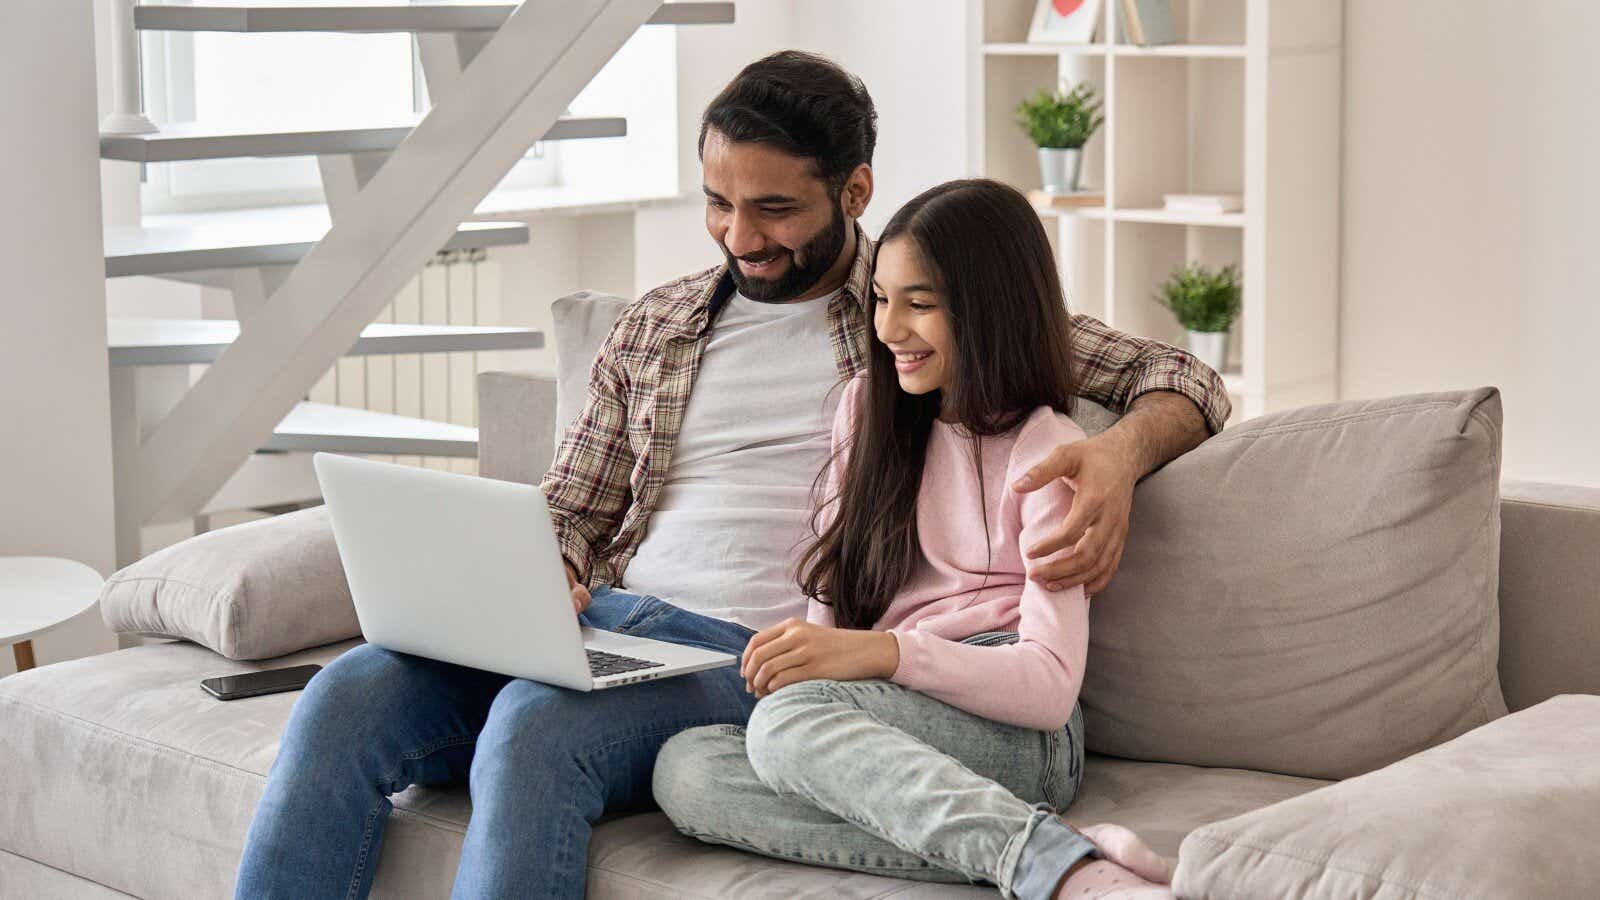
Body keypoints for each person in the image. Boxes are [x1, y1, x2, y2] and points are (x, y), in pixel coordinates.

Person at [233, 52, 1228, 899]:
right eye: (717, 202)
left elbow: (1180, 376)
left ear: (853, 191)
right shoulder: (656, 327)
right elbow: (570, 508)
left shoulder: (922, 307)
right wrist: (547, 570)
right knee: (348, 696)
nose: (741, 236)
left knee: (535, 732)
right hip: (612, 624)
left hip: (753, 660)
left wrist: (1114, 458)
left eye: (774, 208)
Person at [651, 178, 1175, 899]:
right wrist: (820, 663)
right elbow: (837, 583)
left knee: (785, 729)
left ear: (991, 310)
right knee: (687, 768)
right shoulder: (867, 409)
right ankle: (1056, 853)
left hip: (1019, 729)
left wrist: (879, 655)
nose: (890, 328)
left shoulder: (1047, 449)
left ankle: (1058, 874)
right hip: (887, 705)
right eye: (882, 300)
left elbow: (1050, 689)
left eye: (919, 305)